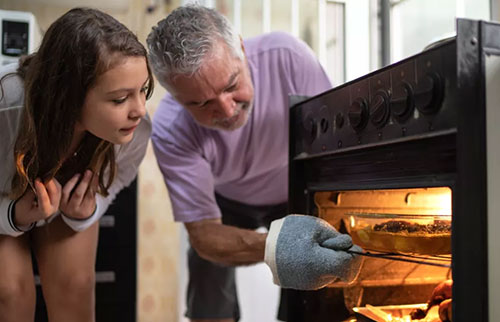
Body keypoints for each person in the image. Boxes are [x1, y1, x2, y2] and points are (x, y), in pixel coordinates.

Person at [147, 5, 361, 322]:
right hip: (226, 199)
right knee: (208, 287)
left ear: (242, 50)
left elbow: (332, 154)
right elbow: (204, 233)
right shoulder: (169, 126)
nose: (227, 110)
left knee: (316, 297)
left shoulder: (288, 57)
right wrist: (278, 246)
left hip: (296, 186)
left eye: (232, 85)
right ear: (175, 96)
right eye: (202, 103)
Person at [0, 7, 153, 322]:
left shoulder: (135, 126)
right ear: (68, 96)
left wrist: (87, 212)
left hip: (59, 209)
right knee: (10, 292)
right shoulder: (6, 104)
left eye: (144, 90)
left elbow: (119, 180)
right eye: (120, 99)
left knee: (76, 285)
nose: (139, 110)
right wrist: (12, 215)